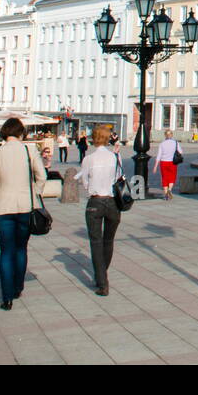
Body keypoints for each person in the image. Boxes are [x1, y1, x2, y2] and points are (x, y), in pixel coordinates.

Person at [0, 118, 47, 311]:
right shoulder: (29, 150)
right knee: (21, 248)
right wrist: (34, 193)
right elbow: (42, 175)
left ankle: (6, 297)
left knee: (6, 251)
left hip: (3, 207)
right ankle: (18, 287)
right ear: (21, 133)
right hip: (26, 206)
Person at [77, 125, 122, 296]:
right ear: (108, 138)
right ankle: (102, 273)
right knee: (108, 241)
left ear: (94, 138)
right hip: (112, 202)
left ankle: (102, 282)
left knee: (96, 242)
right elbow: (118, 177)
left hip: (95, 202)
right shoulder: (114, 157)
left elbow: (85, 183)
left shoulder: (89, 159)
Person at [152, 132, 181, 201]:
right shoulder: (175, 143)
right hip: (172, 162)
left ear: (165, 135)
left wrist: (155, 166)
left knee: (164, 177)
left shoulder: (162, 144)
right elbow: (180, 152)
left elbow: (159, 155)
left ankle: (165, 193)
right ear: (171, 135)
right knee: (172, 176)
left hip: (163, 162)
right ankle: (170, 190)